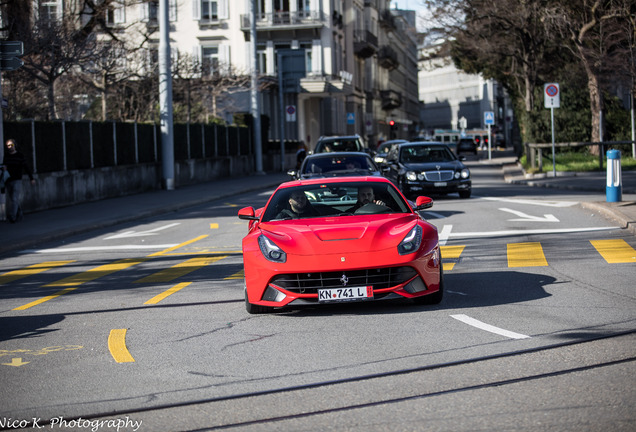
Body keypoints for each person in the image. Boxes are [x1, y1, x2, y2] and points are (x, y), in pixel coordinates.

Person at [2, 139, 35, 223]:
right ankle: (19, 212)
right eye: (8, 145)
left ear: (15, 145)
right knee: (13, 199)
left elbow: (26, 167)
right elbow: (4, 167)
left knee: (14, 198)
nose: (10, 147)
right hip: (8, 180)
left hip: (17, 180)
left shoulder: (20, 156)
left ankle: (12, 216)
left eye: (11, 145)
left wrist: (31, 178)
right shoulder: (6, 156)